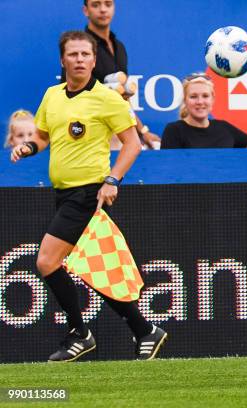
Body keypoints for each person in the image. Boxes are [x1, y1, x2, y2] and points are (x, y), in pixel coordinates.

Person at [11, 31, 167, 362]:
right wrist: (27, 147)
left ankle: (80, 334)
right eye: (73, 54)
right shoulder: (52, 96)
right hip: (63, 194)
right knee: (93, 270)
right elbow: (42, 136)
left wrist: (113, 179)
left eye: (85, 54)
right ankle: (144, 330)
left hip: (88, 194)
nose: (80, 59)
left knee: (46, 261)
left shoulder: (107, 99)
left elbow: (133, 143)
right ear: (62, 60)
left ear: (94, 60)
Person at [61, 0, 160, 149]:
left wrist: (142, 131)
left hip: (119, 134)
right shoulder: (80, 46)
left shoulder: (119, 47)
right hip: (89, 136)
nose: (103, 9)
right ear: (85, 10)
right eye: (96, 5)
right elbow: (69, 95)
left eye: (108, 4)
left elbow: (123, 99)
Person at [161, 74, 247, 149]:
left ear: (212, 99)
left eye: (205, 96)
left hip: (223, 198)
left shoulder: (224, 128)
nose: (200, 102)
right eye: (193, 97)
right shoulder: (174, 131)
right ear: (185, 100)